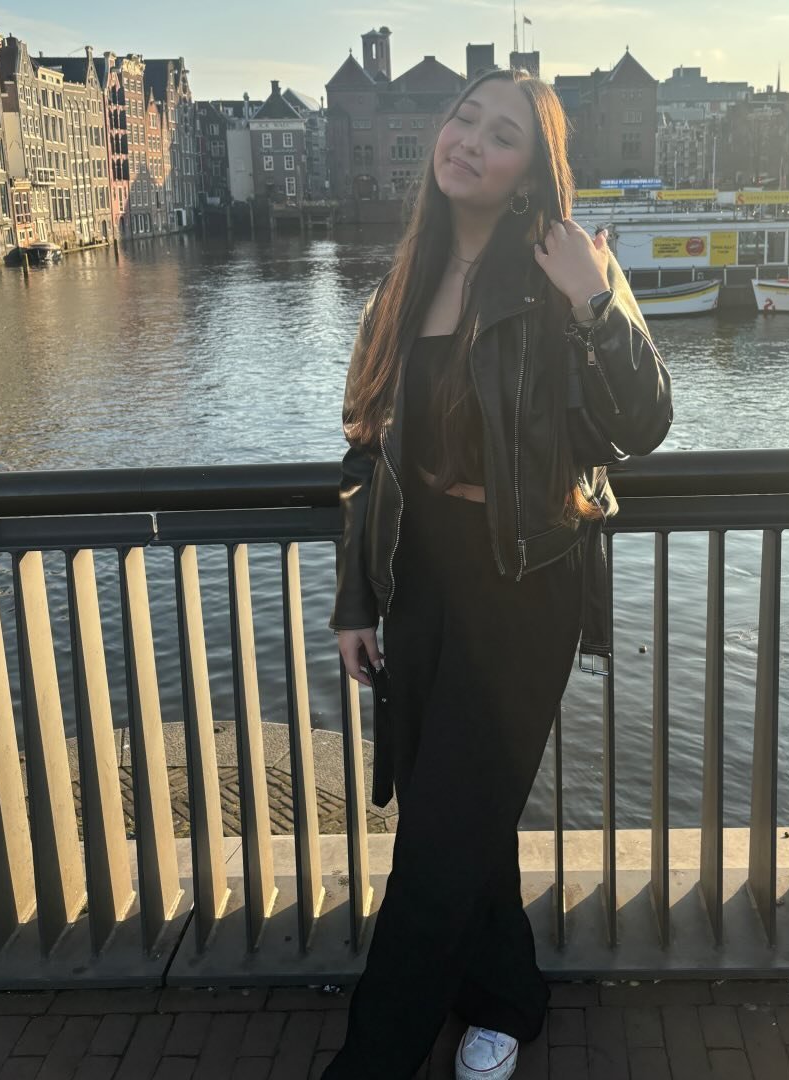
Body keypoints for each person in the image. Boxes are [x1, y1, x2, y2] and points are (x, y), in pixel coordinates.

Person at [325, 67, 672, 1080]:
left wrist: (596, 301)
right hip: (421, 581)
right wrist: (356, 598)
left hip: (524, 585)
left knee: (435, 847)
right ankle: (507, 998)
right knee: (461, 818)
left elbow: (646, 423)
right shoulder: (404, 281)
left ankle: (369, 1064)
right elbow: (363, 453)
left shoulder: (566, 266)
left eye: (502, 133)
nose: (470, 140)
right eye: (463, 118)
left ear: (532, 170)